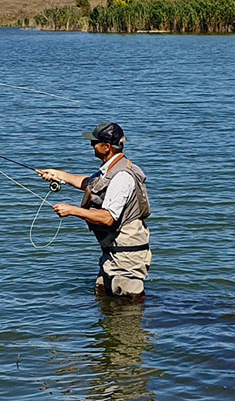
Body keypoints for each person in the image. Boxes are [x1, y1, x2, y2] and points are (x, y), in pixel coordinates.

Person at [38, 122, 152, 300]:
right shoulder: (112, 168)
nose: (91, 145)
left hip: (127, 258)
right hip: (113, 254)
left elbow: (108, 218)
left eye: (94, 143)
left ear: (106, 147)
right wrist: (57, 175)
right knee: (106, 302)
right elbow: (90, 183)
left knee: (129, 312)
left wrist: (73, 210)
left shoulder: (122, 176)